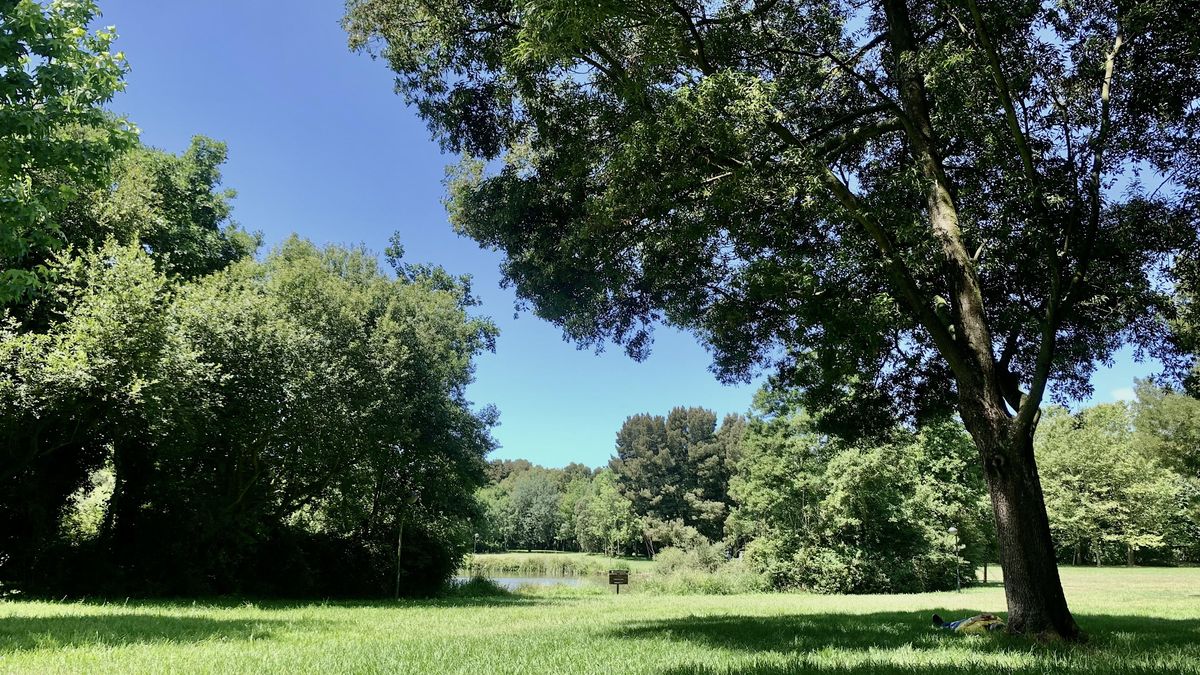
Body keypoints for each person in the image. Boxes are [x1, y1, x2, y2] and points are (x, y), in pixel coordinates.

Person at [931, 613, 1006, 633]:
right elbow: (999, 619)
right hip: (967, 620)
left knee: (950, 625)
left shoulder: (980, 630)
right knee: (954, 622)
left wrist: (973, 619)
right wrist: (990, 616)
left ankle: (942, 625)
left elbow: (959, 629)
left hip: (959, 626)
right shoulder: (995, 622)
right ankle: (945, 624)